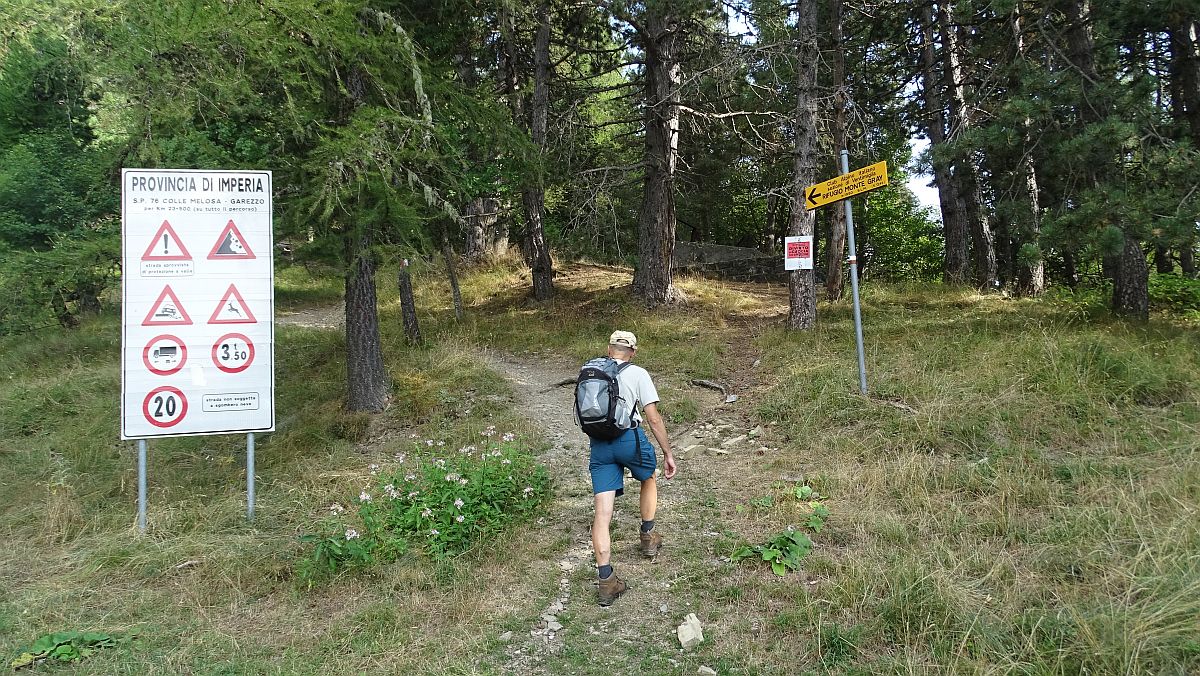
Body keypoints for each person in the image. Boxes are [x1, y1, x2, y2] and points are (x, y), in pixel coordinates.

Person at [588, 330, 677, 606]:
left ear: (609, 348)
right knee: (648, 475)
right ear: (633, 352)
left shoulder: (592, 370)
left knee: (602, 511)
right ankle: (648, 536)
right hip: (629, 439)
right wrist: (667, 452)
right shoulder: (638, 373)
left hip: (600, 444)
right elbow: (653, 417)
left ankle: (606, 581)